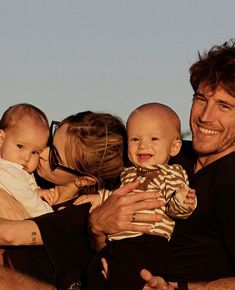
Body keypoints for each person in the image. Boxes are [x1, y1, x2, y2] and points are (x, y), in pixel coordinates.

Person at [88, 39, 235, 290]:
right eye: (201, 99)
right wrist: (96, 228)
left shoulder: (230, 179)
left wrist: (179, 288)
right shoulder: (166, 154)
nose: (204, 117)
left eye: (224, 105)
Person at [0, 110, 128, 290]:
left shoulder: (79, 215)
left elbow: (8, 234)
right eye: (50, 142)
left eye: (55, 157)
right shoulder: (31, 177)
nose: (42, 153)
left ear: (83, 180)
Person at [76, 102, 196, 290]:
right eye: (135, 139)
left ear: (174, 147)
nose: (143, 145)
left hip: (148, 243)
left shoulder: (172, 173)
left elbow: (175, 208)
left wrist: (183, 199)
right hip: (117, 245)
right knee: (94, 273)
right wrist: (99, 198)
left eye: (154, 139)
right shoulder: (128, 173)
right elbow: (118, 197)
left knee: (125, 277)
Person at [0, 103, 56, 219]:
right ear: (1, 139)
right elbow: (30, 203)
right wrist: (53, 218)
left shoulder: (17, 170)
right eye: (20, 146)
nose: (26, 158)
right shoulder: (8, 169)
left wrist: (36, 192)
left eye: (35, 152)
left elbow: (23, 192)